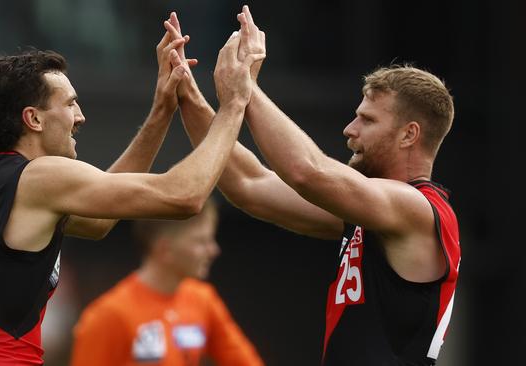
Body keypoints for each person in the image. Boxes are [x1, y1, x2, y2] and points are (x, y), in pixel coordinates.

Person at [0, 20, 264, 365]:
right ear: (34, 119)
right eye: (70, 104)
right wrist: (234, 104)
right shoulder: (40, 176)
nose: (81, 116)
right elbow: (185, 195)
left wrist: (161, 112)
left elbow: (98, 222)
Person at [167, 6, 460, 365]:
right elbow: (249, 184)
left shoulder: (419, 209)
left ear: (408, 135)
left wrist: (246, 89)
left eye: (366, 120)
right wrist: (187, 91)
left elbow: (308, 170)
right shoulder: (370, 216)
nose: (349, 130)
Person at [70, 199, 264, 365]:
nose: (213, 250)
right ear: (165, 249)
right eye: (201, 241)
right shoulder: (109, 315)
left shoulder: (203, 299)